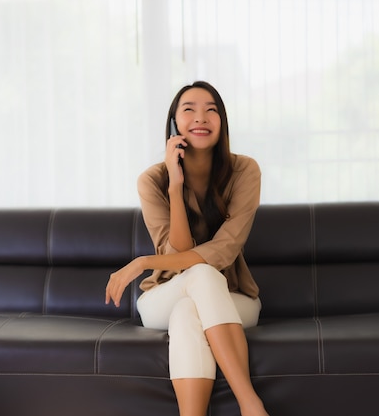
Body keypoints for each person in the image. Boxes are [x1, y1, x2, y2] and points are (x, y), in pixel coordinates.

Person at [105, 81, 269, 416]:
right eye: (189, 109)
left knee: (190, 307)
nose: (201, 117)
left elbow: (224, 250)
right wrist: (175, 184)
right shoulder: (152, 180)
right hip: (163, 296)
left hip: (235, 298)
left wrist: (141, 263)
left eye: (211, 109)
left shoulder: (244, 171)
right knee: (198, 279)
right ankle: (251, 407)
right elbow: (176, 254)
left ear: (222, 121)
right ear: (173, 123)